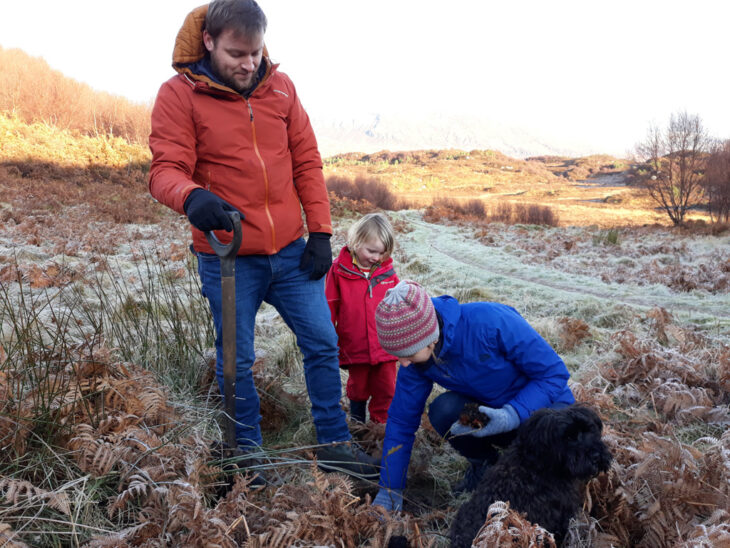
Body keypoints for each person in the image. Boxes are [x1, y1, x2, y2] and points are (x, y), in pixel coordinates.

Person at [148, 0, 378, 479]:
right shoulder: (179, 95)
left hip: (293, 251)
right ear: (209, 42)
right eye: (236, 53)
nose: (248, 64)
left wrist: (319, 231)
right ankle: (247, 455)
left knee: (322, 343)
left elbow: (306, 163)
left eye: (255, 53)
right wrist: (191, 197)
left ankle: (334, 443)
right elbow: (165, 170)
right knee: (237, 360)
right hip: (228, 258)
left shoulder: (282, 87)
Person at [370, 281, 575, 511]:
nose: (403, 362)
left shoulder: (492, 322)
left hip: (544, 410)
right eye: (398, 355)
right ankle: (485, 465)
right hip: (491, 420)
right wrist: (390, 488)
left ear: (431, 337)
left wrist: (512, 414)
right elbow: (401, 422)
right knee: (444, 410)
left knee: (555, 439)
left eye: (408, 354)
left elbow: (553, 374)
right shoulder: (417, 362)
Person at [325, 213, 400, 425]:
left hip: (385, 346)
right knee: (358, 387)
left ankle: (379, 429)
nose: (376, 257)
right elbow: (329, 305)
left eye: (382, 253)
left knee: (386, 388)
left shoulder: (389, 274)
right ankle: (357, 425)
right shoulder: (339, 270)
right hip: (354, 344)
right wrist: (328, 337)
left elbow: (398, 307)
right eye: (371, 251)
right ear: (356, 242)